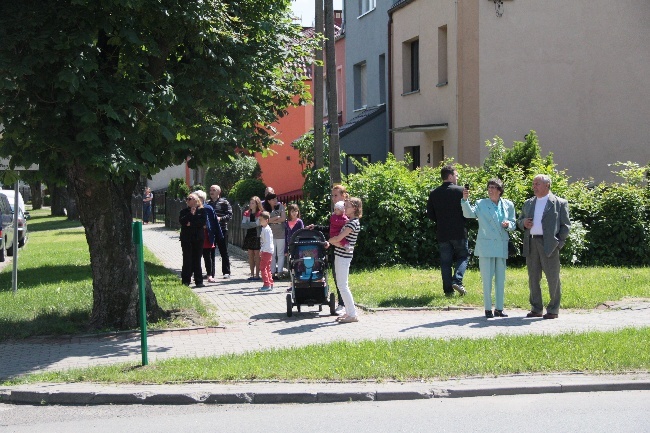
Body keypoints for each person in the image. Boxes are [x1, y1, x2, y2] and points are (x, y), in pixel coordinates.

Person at [517, 174, 571, 319]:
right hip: (531, 243)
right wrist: (523, 224)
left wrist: (558, 243)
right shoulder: (529, 203)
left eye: (537, 184)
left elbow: (565, 226)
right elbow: (520, 220)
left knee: (553, 278)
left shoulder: (559, 203)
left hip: (549, 244)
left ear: (547, 185)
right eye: (533, 184)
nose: (534, 186)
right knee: (533, 277)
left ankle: (553, 309)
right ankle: (536, 308)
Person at [461, 178, 516, 318]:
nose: (490, 190)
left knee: (500, 279)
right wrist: (465, 200)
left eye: (493, 187)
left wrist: (508, 224)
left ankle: (499, 308)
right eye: (489, 187)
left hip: (501, 245)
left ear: (500, 190)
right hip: (486, 246)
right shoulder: (481, 203)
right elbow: (469, 214)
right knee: (487, 279)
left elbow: (513, 223)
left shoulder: (508, 204)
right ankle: (487, 308)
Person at [426, 165, 470, 296]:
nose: (457, 178)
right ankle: (457, 280)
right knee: (463, 256)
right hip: (459, 232)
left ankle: (448, 291)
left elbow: (430, 214)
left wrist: (441, 222)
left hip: (442, 232)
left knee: (445, 262)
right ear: (450, 176)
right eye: (456, 175)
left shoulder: (434, 193)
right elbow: (467, 212)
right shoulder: (461, 191)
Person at [307, 184, 350, 310]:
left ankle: (344, 305)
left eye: (335, 195)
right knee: (337, 276)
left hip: (343, 248)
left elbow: (344, 232)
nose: (333, 198)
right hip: (335, 247)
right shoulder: (336, 211)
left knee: (341, 279)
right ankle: (343, 304)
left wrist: (331, 242)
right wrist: (316, 227)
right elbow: (331, 230)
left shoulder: (347, 213)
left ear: (343, 196)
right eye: (332, 195)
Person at [328, 197, 363, 323]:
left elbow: (338, 239)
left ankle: (352, 314)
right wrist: (334, 241)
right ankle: (349, 312)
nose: (344, 208)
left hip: (343, 256)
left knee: (343, 286)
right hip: (341, 254)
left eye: (347, 206)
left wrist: (331, 241)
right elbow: (339, 242)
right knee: (342, 285)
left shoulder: (352, 223)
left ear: (354, 208)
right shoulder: (350, 222)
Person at [179, 193, 207, 287]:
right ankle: (186, 281)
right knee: (187, 259)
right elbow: (182, 221)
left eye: (190, 198)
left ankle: (199, 281)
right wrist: (190, 214)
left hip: (198, 238)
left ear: (196, 200)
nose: (188, 200)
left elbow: (202, 222)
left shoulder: (202, 211)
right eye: (187, 199)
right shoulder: (184, 211)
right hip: (186, 239)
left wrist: (191, 224)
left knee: (197, 259)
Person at [194, 190, 223, 283]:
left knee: (207, 256)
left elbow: (214, 222)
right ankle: (196, 274)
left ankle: (209, 275)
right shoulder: (193, 208)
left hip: (206, 235)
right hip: (195, 235)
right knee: (196, 256)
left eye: (197, 197)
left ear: (202, 198)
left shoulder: (208, 208)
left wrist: (219, 234)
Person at [207, 185, 232, 279]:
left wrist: (220, 218)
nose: (211, 192)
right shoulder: (208, 203)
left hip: (222, 230)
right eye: (210, 190)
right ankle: (210, 273)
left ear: (219, 192)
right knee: (210, 252)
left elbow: (229, 215)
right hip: (211, 231)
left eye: (213, 190)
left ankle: (226, 272)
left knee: (223, 251)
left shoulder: (224, 202)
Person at [263, 193, 287, 279]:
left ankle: (280, 271)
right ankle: (272, 272)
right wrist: (276, 217)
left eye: (276, 199)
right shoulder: (266, 209)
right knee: (272, 253)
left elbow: (283, 218)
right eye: (273, 199)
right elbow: (265, 220)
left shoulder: (280, 207)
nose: (275, 201)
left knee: (280, 253)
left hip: (280, 232)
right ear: (268, 201)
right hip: (270, 233)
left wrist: (272, 220)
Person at [241, 196, 263, 280]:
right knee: (250, 255)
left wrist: (249, 224)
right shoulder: (246, 213)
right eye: (250, 203)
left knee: (257, 256)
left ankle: (257, 274)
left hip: (257, 235)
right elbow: (243, 225)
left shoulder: (260, 213)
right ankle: (252, 274)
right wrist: (253, 224)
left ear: (257, 204)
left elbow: (259, 224)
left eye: (253, 203)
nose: (250, 204)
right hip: (249, 235)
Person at [258, 211, 274, 292]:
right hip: (268, 251)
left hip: (267, 251)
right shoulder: (265, 229)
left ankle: (266, 284)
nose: (260, 221)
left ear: (266, 220)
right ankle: (270, 283)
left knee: (263, 267)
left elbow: (267, 242)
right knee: (267, 268)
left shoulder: (266, 230)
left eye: (261, 219)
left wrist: (262, 250)